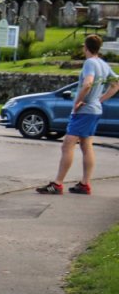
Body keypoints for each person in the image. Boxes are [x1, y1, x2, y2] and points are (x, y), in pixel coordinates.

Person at [37, 34, 119, 195]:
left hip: (84, 111)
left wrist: (77, 103)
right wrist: (99, 100)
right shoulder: (103, 64)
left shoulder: (89, 63)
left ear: (86, 48)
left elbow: (87, 84)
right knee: (86, 146)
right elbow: (115, 85)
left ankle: (57, 184)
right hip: (94, 110)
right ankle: (84, 184)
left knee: (67, 145)